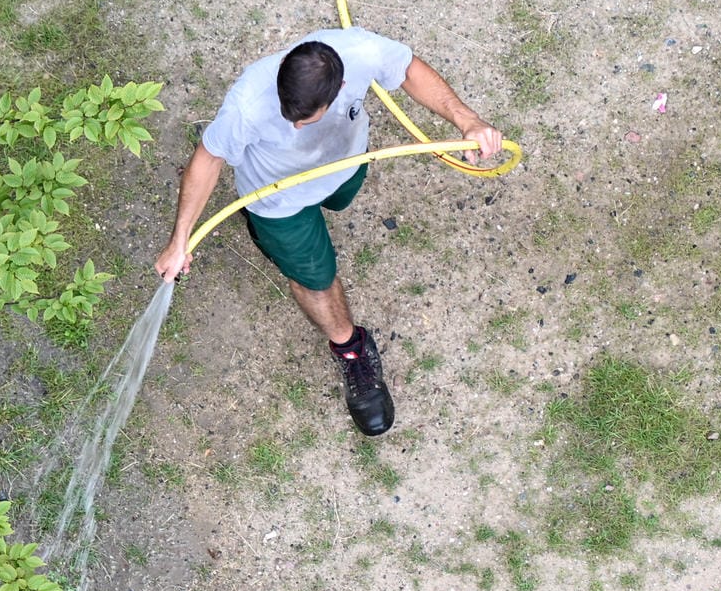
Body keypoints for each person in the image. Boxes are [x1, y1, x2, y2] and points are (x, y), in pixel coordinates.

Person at [154, 29, 504, 436]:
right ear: (283, 71)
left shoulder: (361, 52)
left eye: (306, 118)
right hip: (278, 200)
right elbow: (209, 158)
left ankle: (305, 225)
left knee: (340, 200)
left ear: (340, 87)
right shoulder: (247, 105)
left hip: (344, 166)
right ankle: (351, 349)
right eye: (290, 115)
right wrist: (180, 241)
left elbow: (406, 68)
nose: (296, 127)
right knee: (315, 277)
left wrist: (468, 120)